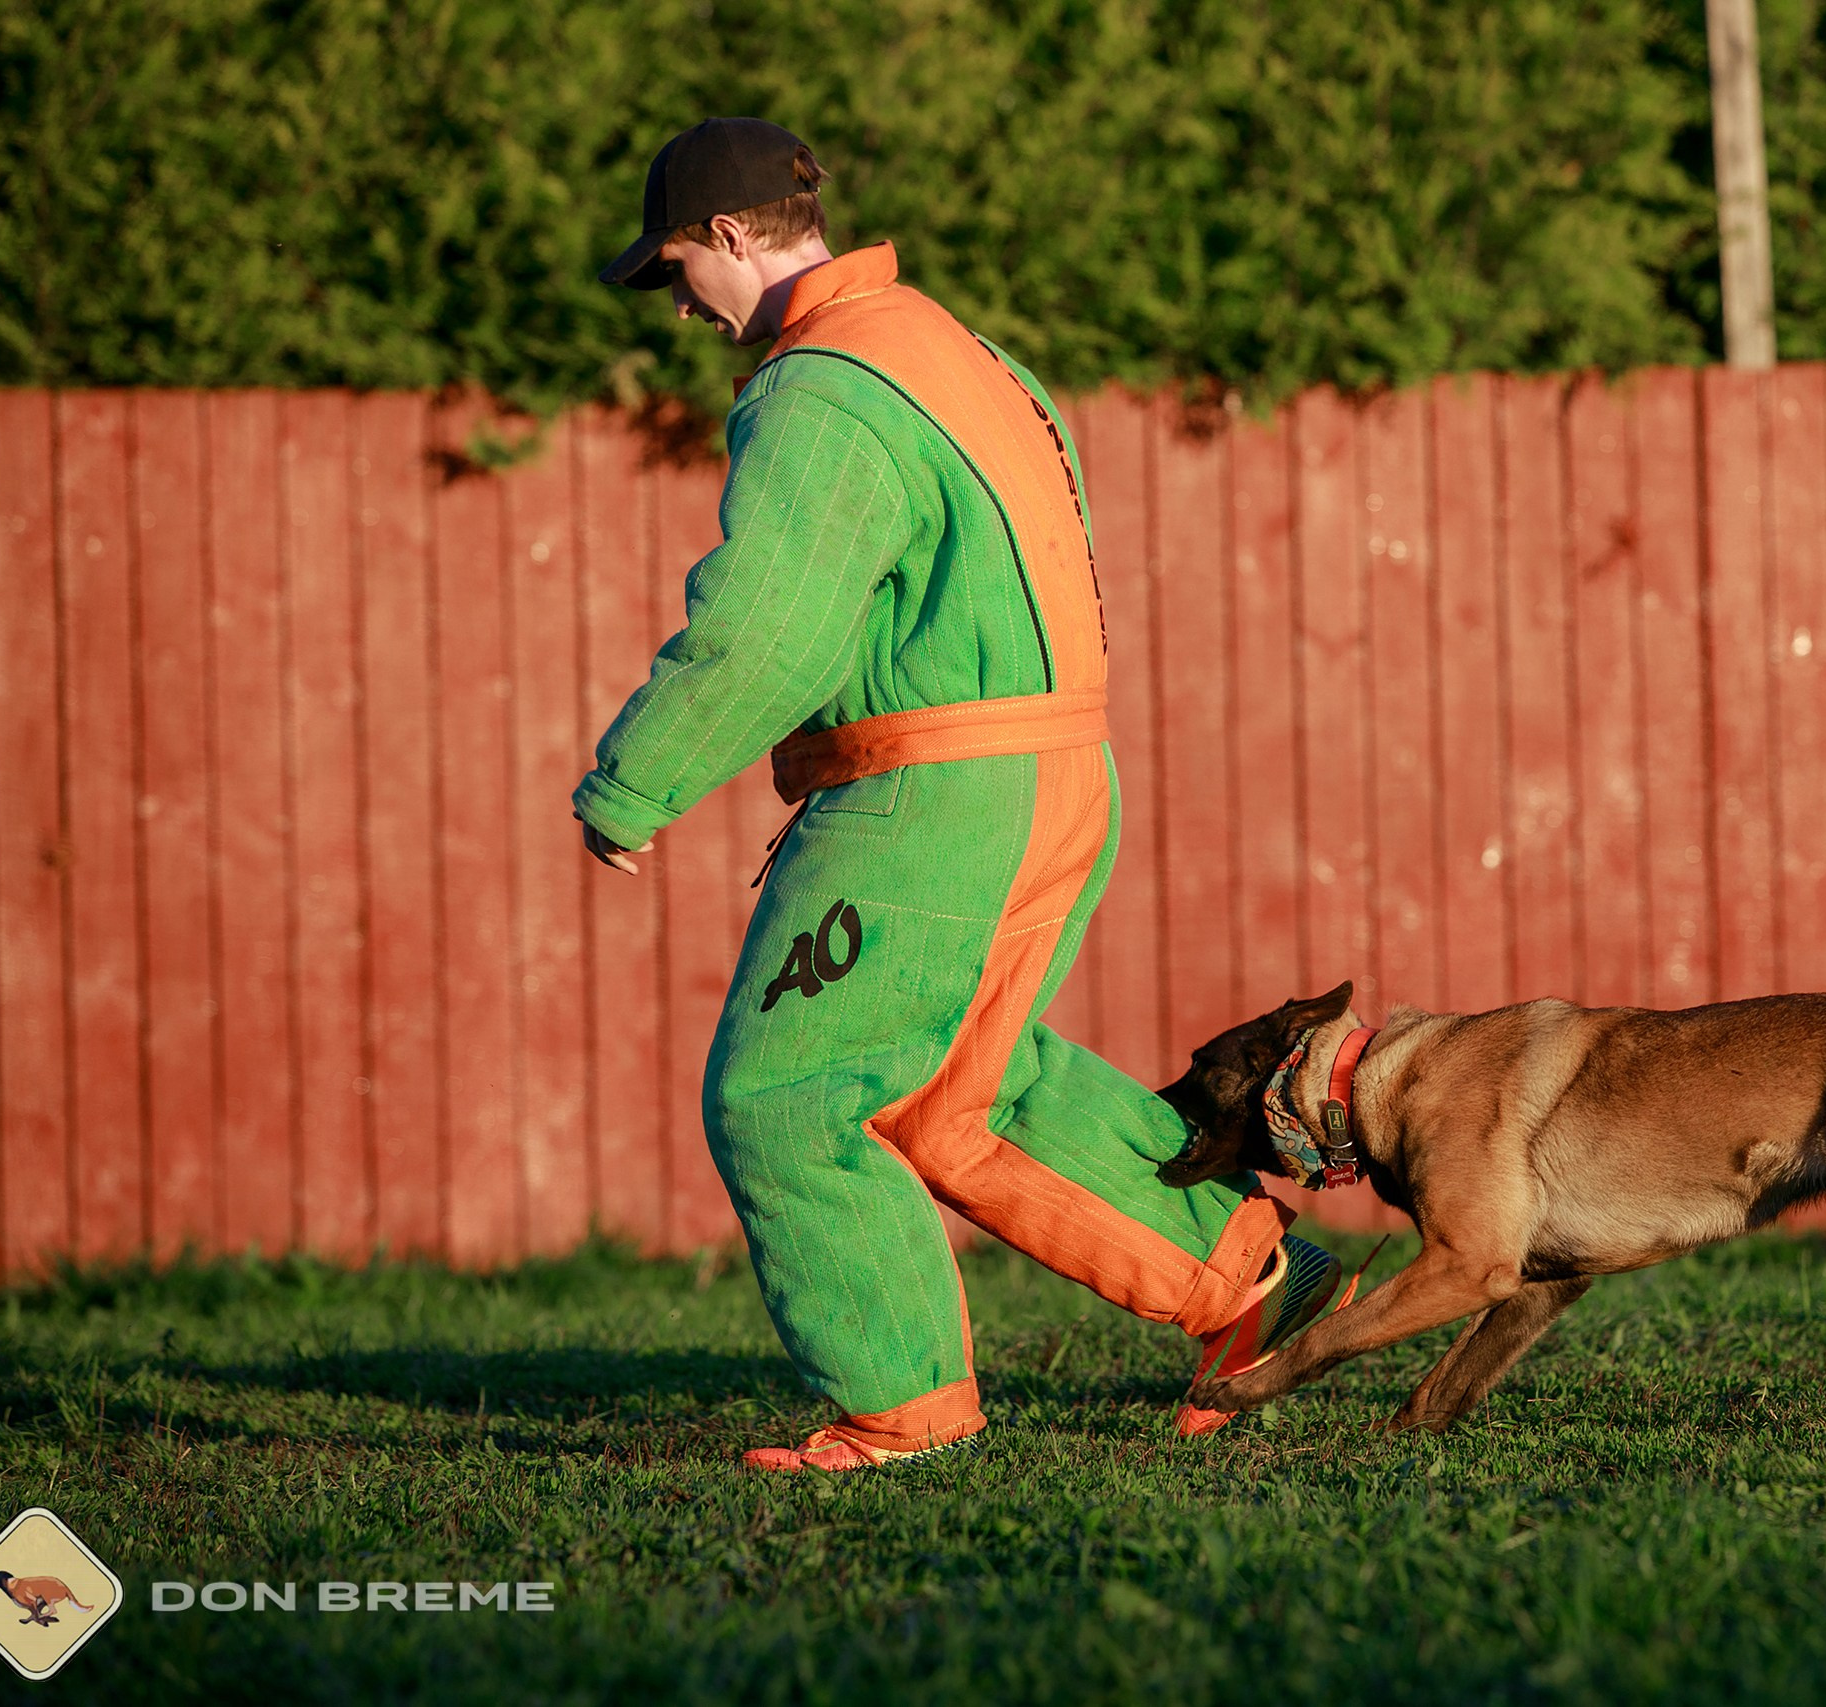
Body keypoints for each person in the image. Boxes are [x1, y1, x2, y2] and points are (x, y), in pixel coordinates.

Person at [576, 118, 1348, 1471]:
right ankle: (1249, 1278)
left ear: (737, 236)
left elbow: (770, 630)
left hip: (928, 798)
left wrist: (635, 782)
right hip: (1054, 771)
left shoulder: (819, 388)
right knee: (961, 1091)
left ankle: (904, 1409)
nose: (680, 307)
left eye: (679, 267)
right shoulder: (964, 353)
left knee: (789, 1097)